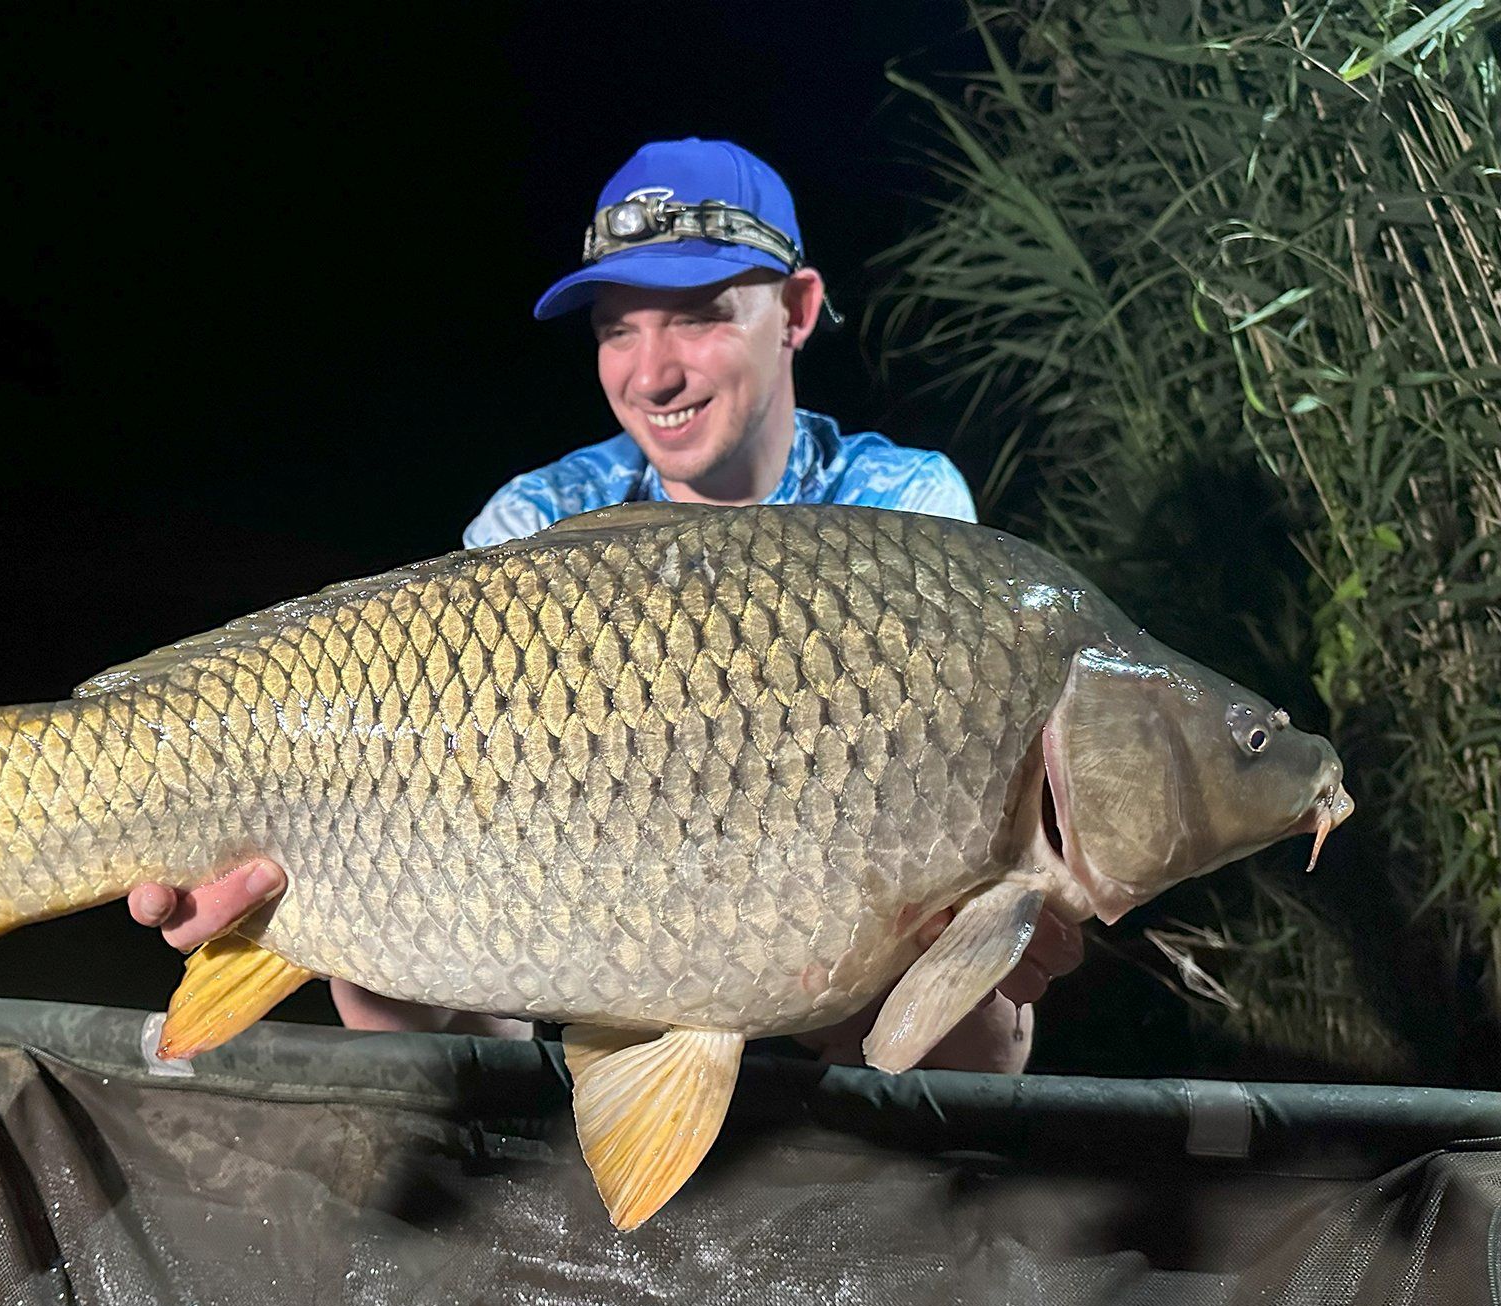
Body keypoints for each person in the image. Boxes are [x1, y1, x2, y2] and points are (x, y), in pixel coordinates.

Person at [130, 138, 1082, 1070]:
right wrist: (304, 879)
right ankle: (527, 1187)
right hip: (578, 925)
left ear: (797, 310)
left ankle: (878, 1201)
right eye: (618, 329)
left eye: (699, 317)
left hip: (820, 953)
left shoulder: (905, 515)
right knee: (380, 984)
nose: (650, 373)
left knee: (981, 1011)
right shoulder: (536, 518)